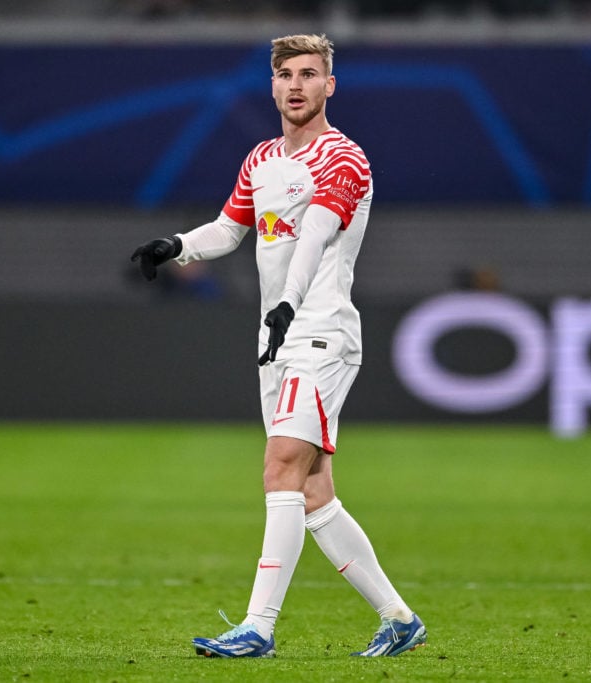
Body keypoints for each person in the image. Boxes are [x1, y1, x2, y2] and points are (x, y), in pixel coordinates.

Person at [130, 33, 426, 659]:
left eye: (309, 74)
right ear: (272, 85)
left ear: (330, 86)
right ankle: (399, 618)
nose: (296, 85)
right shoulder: (261, 159)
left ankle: (258, 627)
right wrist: (175, 246)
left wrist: (289, 303)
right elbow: (229, 229)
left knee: (280, 466)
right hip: (278, 336)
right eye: (286, 74)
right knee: (313, 491)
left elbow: (315, 237)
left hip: (320, 331)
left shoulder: (343, 159)